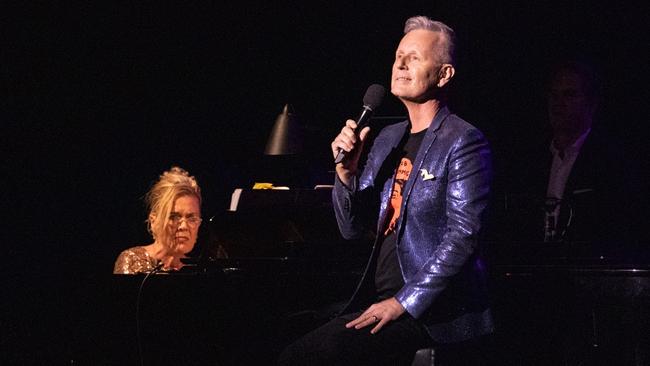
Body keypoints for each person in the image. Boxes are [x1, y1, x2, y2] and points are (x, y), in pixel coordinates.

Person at [278, 16, 494, 365]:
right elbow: (351, 229)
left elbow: (463, 237)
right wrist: (345, 175)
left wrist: (403, 302)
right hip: (377, 298)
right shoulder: (388, 139)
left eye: (415, 58)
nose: (401, 64)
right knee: (285, 330)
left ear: (444, 75)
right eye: (398, 56)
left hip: (432, 313)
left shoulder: (463, 141)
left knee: (310, 356)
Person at [113, 166, 202, 274]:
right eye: (173, 217)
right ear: (153, 221)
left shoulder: (198, 272)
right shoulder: (133, 260)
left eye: (192, 218)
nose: (183, 226)